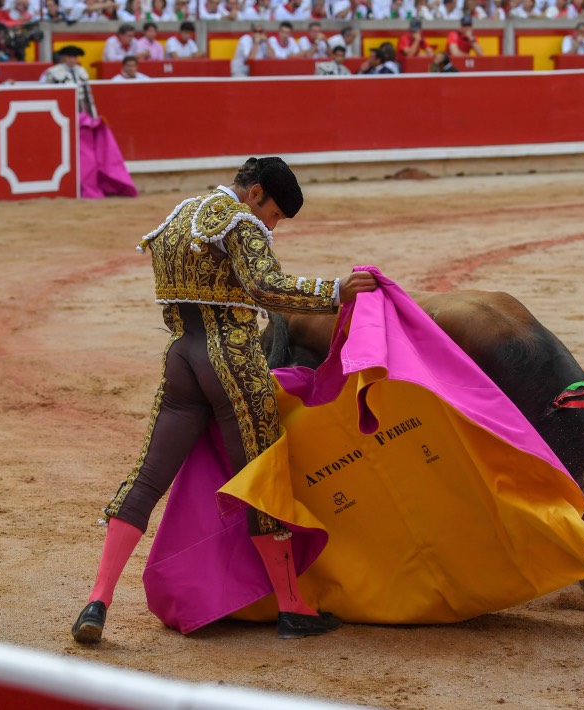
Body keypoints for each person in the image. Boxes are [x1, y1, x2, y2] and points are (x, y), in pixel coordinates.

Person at [70, 157, 378, 644]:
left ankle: (98, 600)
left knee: (148, 477)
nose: (271, 225)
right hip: (230, 360)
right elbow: (264, 286)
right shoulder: (241, 221)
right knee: (262, 477)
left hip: (180, 357)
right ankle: (292, 606)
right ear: (255, 193)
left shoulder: (176, 218)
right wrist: (335, 290)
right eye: (274, 214)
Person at [42, 45, 138, 199]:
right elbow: (48, 96)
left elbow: (89, 98)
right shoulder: (53, 73)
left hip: (82, 120)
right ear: (64, 57)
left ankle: (88, 187)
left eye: (75, 57)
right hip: (61, 120)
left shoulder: (81, 72)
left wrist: (93, 117)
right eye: (71, 57)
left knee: (88, 157)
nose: (74, 60)